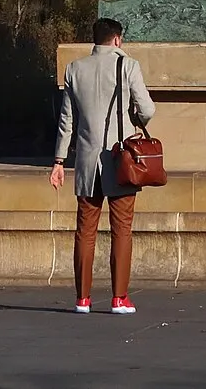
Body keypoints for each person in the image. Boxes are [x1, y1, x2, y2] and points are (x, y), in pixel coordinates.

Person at [51, 17, 155, 314]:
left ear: (94, 40)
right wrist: (136, 120)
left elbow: (66, 122)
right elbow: (147, 109)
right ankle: (119, 298)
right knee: (122, 228)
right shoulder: (128, 66)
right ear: (118, 40)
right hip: (119, 159)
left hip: (86, 159)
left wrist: (59, 161)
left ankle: (82, 298)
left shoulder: (74, 69)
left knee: (85, 230)